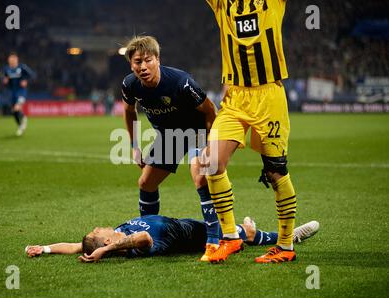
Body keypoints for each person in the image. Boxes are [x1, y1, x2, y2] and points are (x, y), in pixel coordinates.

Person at [202, 0, 301, 263]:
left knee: (276, 171)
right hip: (235, 96)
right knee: (211, 162)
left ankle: (285, 245)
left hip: (269, 95)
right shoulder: (223, 4)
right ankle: (230, 238)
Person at [121, 36, 221, 261]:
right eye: (138, 62)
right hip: (169, 136)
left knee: (200, 177)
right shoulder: (130, 84)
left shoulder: (180, 82)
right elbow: (129, 112)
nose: (143, 66)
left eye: (148, 60)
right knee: (146, 183)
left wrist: (209, 145)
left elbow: (210, 111)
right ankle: (148, 232)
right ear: (131, 64)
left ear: (157, 59)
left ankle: (215, 239)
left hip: (196, 130)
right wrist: (135, 146)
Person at [25, 215, 319, 263]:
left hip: (180, 221)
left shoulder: (108, 238)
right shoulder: (133, 247)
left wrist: (47, 249)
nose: (98, 227)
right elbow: (143, 238)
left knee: (240, 229)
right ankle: (292, 237)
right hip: (191, 236)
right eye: (96, 233)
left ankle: (253, 231)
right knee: (246, 234)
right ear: (104, 243)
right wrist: (109, 250)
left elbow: (75, 246)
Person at [2, 52, 35, 136]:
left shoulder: (22, 67)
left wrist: (26, 81)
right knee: (14, 112)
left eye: (13, 59)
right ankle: (21, 125)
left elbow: (33, 75)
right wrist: (5, 81)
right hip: (12, 93)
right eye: (10, 60)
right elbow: (5, 79)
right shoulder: (6, 69)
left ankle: (23, 119)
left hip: (21, 92)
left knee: (17, 108)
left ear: (16, 59)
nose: (11, 61)